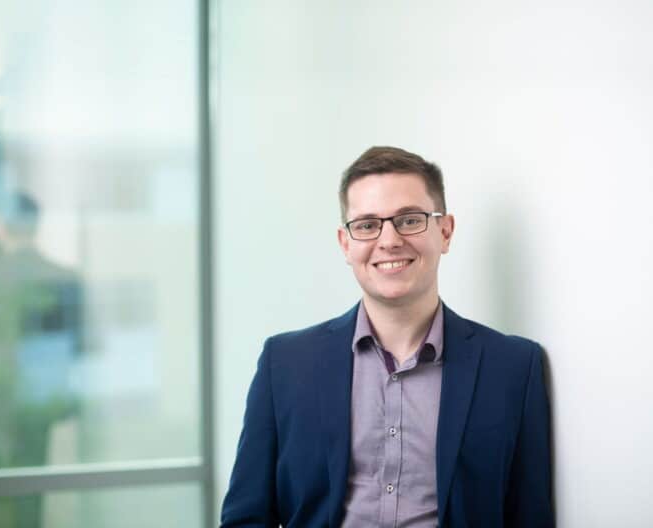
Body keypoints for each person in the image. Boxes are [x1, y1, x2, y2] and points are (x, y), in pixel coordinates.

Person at [220, 146, 554, 527]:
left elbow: (531, 518)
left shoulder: (513, 367)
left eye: (410, 219)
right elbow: (245, 518)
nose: (389, 240)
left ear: (445, 232)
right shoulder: (284, 364)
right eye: (366, 225)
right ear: (346, 244)